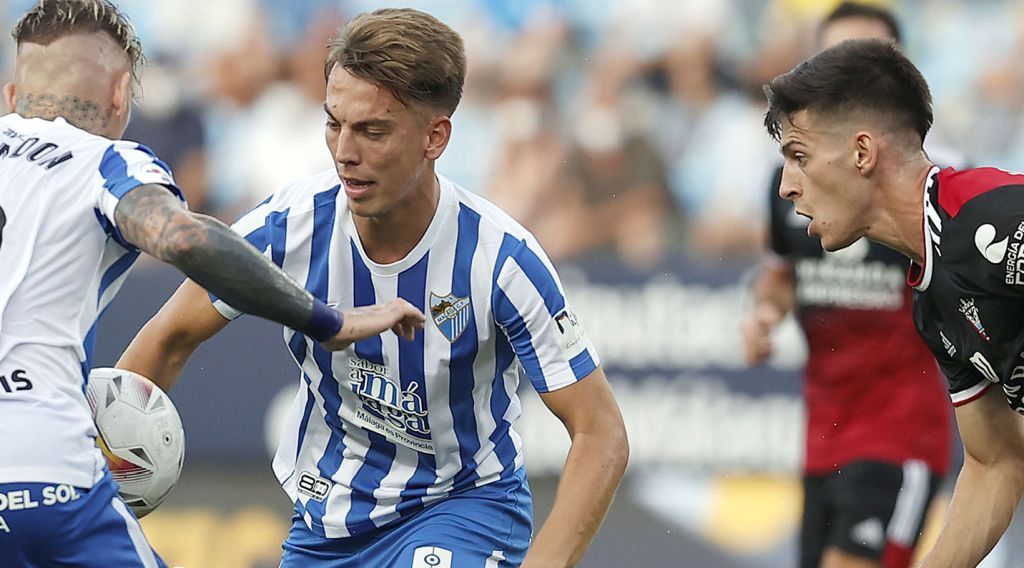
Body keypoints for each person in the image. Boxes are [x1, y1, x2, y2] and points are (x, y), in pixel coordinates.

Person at [117, 8, 629, 568]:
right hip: (326, 519)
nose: (344, 151)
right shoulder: (286, 229)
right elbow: (168, 337)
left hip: (461, 508)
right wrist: (96, 485)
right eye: (335, 123)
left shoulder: (502, 261)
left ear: (436, 136)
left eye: (373, 130)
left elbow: (601, 433)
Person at [0, 1, 425, 566]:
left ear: (11, 94)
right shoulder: (107, 163)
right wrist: (329, 319)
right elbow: (185, 239)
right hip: (41, 473)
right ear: (121, 95)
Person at [764, 38, 1024, 568]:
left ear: (862, 153)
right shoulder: (931, 303)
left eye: (799, 156)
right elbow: (996, 462)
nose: (787, 186)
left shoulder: (997, 221)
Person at [741, 4, 953, 567]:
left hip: (899, 434)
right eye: (832, 57)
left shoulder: (941, 195)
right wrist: (764, 313)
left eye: (863, 57)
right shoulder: (791, 183)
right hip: (823, 436)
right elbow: (781, 274)